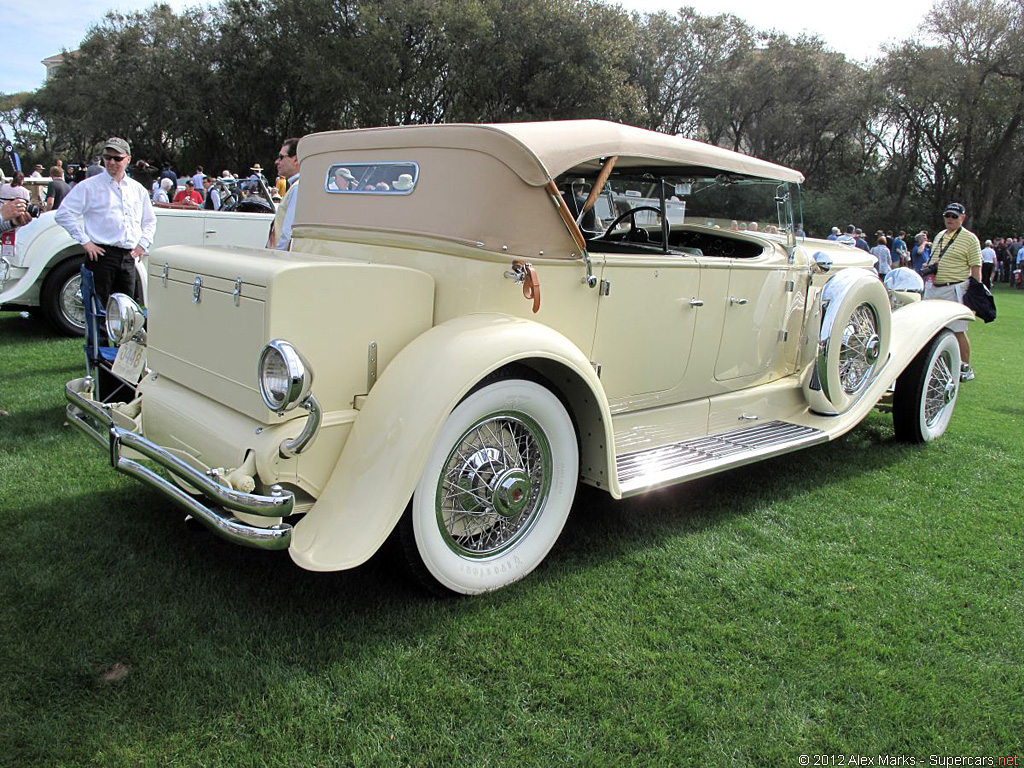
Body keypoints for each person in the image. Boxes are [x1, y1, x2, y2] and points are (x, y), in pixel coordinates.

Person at [55, 137, 156, 308]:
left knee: (125, 311)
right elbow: (63, 214)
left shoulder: (137, 189)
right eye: (107, 157)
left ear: (128, 159)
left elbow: (149, 220)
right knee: (97, 311)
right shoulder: (89, 187)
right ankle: (98, 336)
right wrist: (86, 242)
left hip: (128, 257)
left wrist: (142, 245)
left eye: (117, 158)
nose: (111, 162)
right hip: (101, 256)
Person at [922, 202, 982, 381]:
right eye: (947, 215)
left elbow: (976, 267)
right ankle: (936, 364)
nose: (950, 219)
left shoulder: (970, 239)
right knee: (930, 328)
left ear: (962, 218)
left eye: (954, 216)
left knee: (958, 329)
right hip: (934, 287)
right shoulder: (940, 236)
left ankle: (965, 367)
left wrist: (975, 292)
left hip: (955, 287)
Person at [267, 137, 300, 250]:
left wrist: (278, 256)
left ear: (295, 160)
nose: (277, 161)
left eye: (281, 157)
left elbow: (287, 232)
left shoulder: (297, 188)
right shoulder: (297, 186)